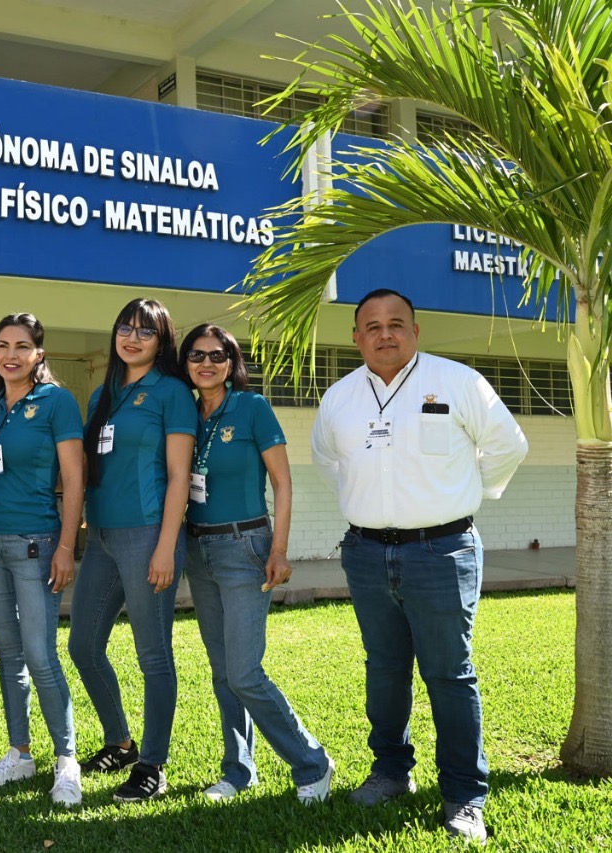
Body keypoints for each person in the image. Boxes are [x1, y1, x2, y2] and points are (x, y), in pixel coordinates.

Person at [311, 288, 528, 843]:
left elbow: (509, 445)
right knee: (384, 670)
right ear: (356, 336)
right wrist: (374, 512)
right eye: (373, 326)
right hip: (365, 552)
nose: (386, 334)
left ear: (415, 331)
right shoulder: (339, 398)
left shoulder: (458, 383)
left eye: (397, 324)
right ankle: (390, 773)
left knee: (450, 676)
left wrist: (461, 493)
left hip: (442, 551)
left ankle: (463, 795)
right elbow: (329, 462)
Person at [178, 324, 334, 805]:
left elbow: (283, 484)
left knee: (245, 672)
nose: (207, 363)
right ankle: (239, 769)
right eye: (197, 355)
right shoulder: (186, 413)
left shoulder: (252, 407)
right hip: (198, 549)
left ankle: (312, 762)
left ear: (232, 362)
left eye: (218, 355)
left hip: (244, 545)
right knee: (223, 670)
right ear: (184, 362)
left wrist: (279, 549)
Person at [68, 298, 195, 803]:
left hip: (148, 537)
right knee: (82, 646)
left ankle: (153, 764)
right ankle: (120, 741)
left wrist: (166, 546)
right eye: (126, 328)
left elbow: (180, 475)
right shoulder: (104, 393)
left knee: (153, 655)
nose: (133, 338)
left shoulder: (172, 393)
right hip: (100, 536)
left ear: (162, 341)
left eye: (146, 331)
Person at [0, 314, 84, 806]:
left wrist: (66, 545)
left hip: (37, 542)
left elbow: (75, 479)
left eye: (21, 346)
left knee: (40, 653)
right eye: (1, 345)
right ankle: (20, 752)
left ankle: (67, 759)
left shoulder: (57, 402)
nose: (9, 354)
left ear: (40, 353)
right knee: (7, 651)